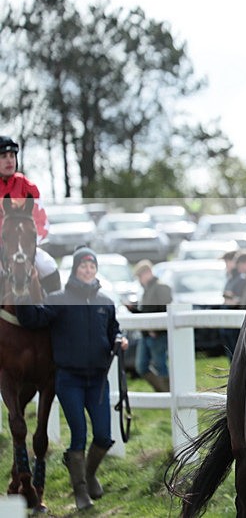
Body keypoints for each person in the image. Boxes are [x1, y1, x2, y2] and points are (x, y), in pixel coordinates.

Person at [15, 246, 129, 510]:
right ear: (75, 269)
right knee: (79, 435)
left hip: (99, 380)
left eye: (92, 266)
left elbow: (114, 329)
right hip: (70, 380)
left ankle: (87, 475)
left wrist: (118, 339)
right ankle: (80, 493)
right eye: (83, 266)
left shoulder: (106, 303)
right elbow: (33, 319)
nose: (88, 270)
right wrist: (21, 295)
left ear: (95, 270)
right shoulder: (59, 299)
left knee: (103, 436)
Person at [0, 135, 61, 293]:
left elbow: (41, 222)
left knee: (49, 266)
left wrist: (29, 244)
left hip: (24, 248)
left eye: (12, 156)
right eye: (4, 156)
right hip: (3, 246)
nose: (9, 161)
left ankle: (54, 311)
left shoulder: (28, 187)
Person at [129, 259, 172, 392]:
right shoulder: (147, 290)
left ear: (147, 273)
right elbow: (147, 312)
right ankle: (163, 391)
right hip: (146, 333)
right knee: (141, 366)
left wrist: (157, 329)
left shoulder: (161, 287)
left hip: (157, 334)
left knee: (160, 365)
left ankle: (168, 393)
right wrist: (133, 309)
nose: (139, 280)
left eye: (140, 276)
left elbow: (165, 309)